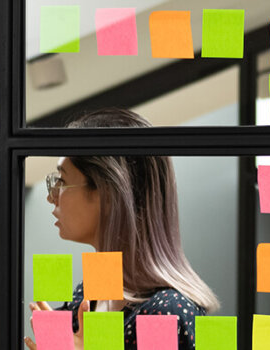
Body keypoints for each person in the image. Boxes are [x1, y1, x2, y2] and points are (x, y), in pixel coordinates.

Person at [23, 108, 220, 350]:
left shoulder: (166, 313)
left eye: (62, 181)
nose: (52, 197)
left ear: (108, 194)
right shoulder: (93, 290)